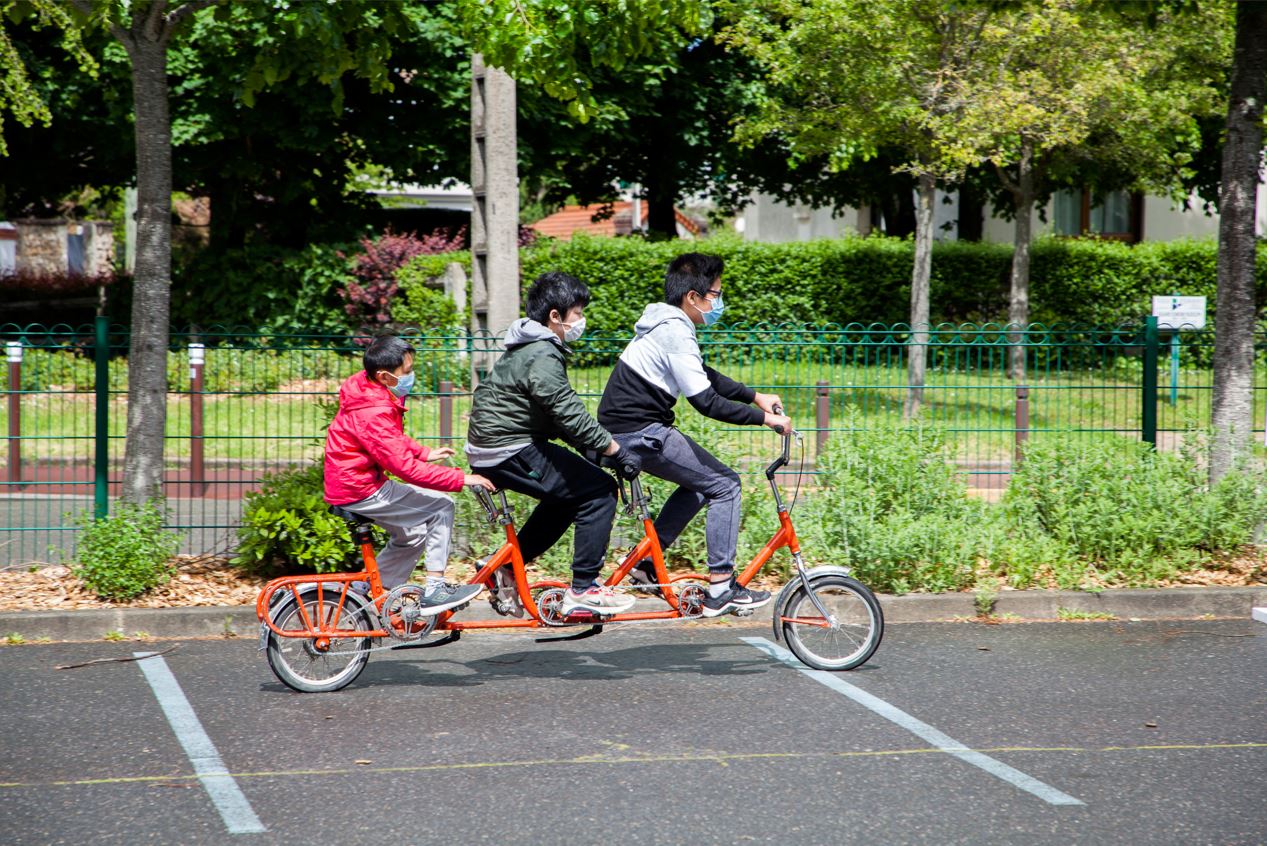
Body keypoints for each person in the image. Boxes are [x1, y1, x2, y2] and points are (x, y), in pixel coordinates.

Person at [596, 253, 791, 617]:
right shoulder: (674, 329)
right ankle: (721, 587)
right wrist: (765, 420)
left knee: (701, 484)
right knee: (726, 484)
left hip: (629, 429)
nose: (718, 302)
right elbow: (705, 402)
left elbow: (703, 373)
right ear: (692, 297)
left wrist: (755, 396)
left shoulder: (669, 324)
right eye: (714, 295)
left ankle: (645, 565)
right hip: (639, 433)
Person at [465, 271, 641, 616]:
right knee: (599, 491)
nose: (582, 321)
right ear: (555, 317)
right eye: (577, 313)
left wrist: (591, 448)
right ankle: (585, 588)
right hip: (507, 447)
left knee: (565, 499)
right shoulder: (543, 352)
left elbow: (549, 414)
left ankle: (505, 568)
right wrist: (614, 450)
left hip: (499, 444)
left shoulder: (530, 347)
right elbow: (566, 410)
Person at [324, 335, 494, 615]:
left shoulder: (365, 389)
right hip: (360, 487)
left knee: (413, 534)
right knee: (441, 506)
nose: (411, 375)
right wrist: (461, 479)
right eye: (406, 371)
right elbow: (403, 468)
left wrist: (422, 452)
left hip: (351, 483)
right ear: (384, 376)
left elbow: (389, 441)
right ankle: (436, 587)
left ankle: (366, 591)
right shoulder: (374, 410)